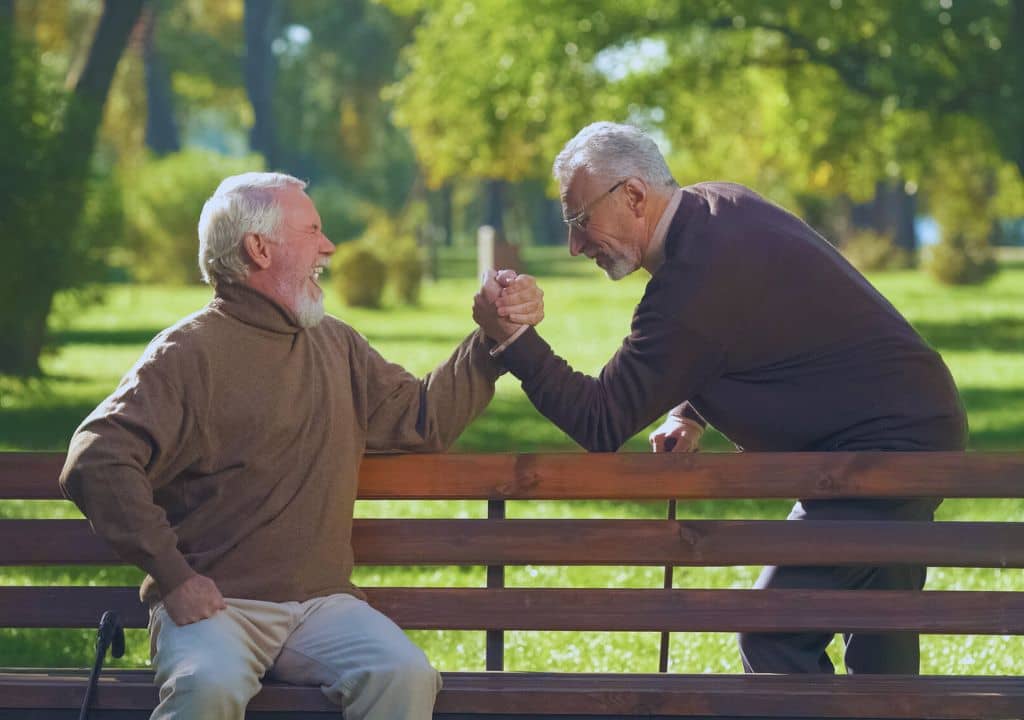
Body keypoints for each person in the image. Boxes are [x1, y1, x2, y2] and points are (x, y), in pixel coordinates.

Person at [473, 122, 966, 675]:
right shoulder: (719, 205)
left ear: (633, 195)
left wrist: (512, 340)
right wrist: (690, 409)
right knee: (879, 637)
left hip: (885, 454)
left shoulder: (693, 283)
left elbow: (600, 420)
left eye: (580, 220)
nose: (575, 244)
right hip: (910, 430)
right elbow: (764, 331)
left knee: (773, 633)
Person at [59, 172, 543, 720]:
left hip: (321, 607)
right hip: (219, 608)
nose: (329, 246)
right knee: (206, 687)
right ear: (259, 249)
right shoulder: (186, 354)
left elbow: (420, 419)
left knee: (403, 676)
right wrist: (174, 577)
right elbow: (96, 458)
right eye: (312, 230)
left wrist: (491, 339)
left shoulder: (334, 342)